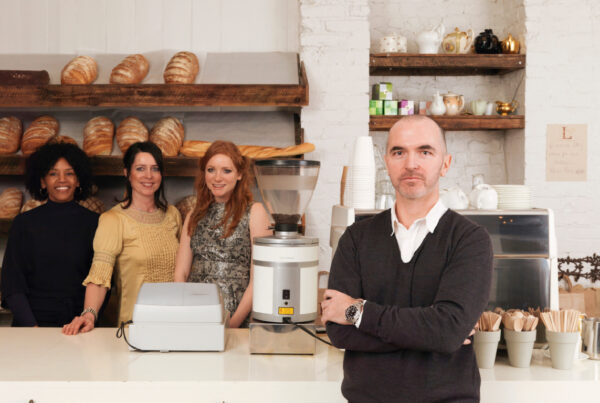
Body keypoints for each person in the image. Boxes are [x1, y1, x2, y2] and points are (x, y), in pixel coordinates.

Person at [321, 115, 493, 402]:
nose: (411, 164)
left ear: (445, 163)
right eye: (399, 152)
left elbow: (447, 332)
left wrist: (357, 312)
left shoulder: (470, 239)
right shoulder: (356, 237)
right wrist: (431, 334)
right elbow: (340, 334)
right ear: (387, 163)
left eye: (425, 152)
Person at [62, 141, 182, 335]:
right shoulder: (113, 220)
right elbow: (100, 273)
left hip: (176, 323)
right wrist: (89, 314)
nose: (148, 176)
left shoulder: (173, 215)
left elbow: (183, 269)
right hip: (135, 327)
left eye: (155, 169)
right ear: (127, 173)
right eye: (140, 168)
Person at [174, 140, 271, 328]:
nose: (217, 178)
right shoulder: (194, 214)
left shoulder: (255, 212)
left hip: (237, 319)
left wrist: (232, 325)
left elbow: (259, 278)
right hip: (196, 318)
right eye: (211, 170)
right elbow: (181, 273)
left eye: (226, 170)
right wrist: (184, 314)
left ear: (240, 174)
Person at [1, 142, 98, 327]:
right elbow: (12, 284)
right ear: (42, 181)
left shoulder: (96, 223)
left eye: (69, 173)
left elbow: (101, 280)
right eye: (53, 173)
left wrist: (85, 320)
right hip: (31, 325)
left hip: (80, 325)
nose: (62, 179)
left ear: (78, 180)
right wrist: (33, 328)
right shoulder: (24, 223)